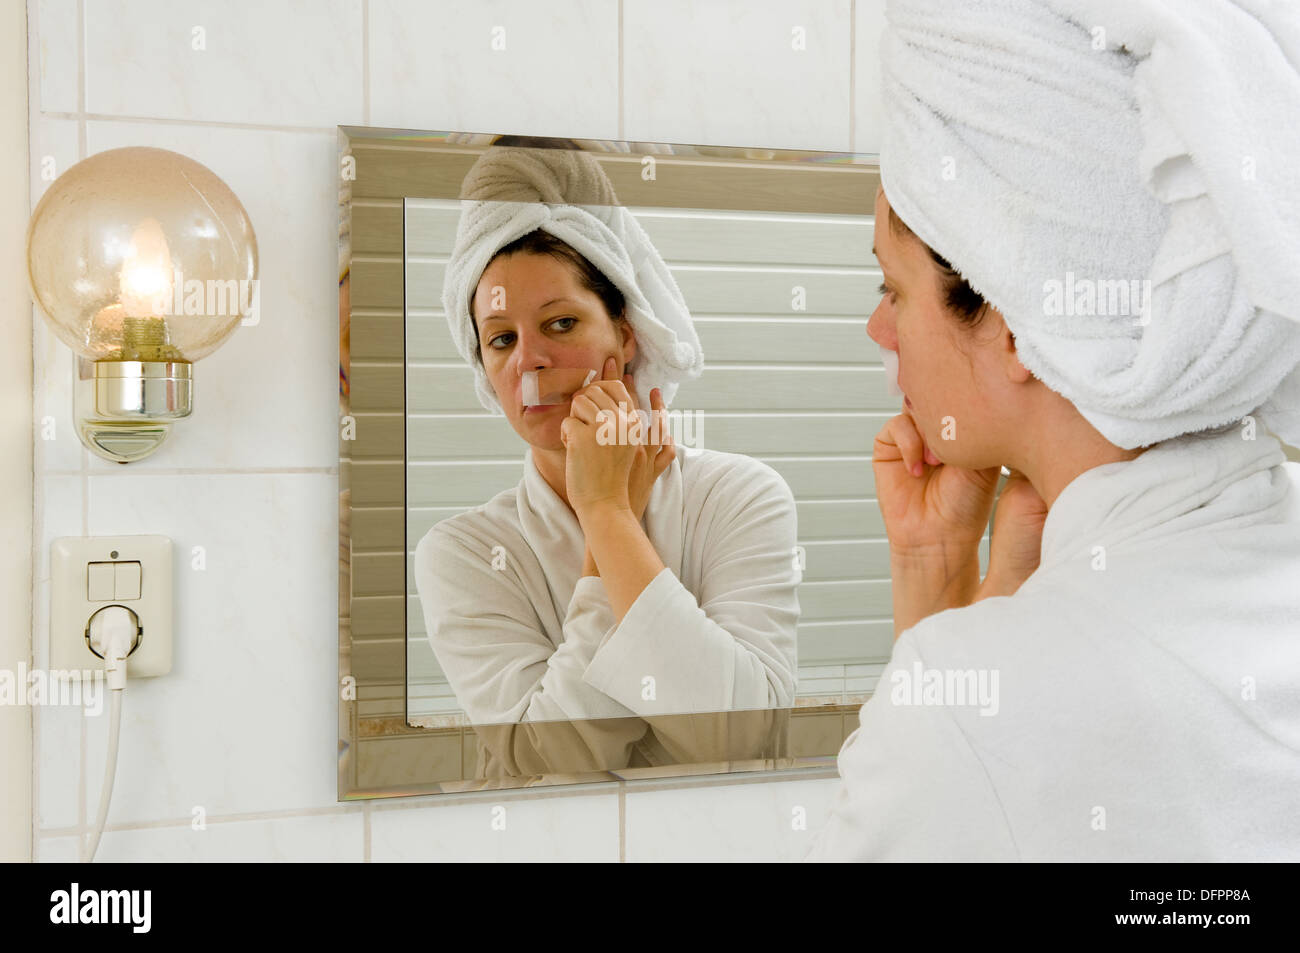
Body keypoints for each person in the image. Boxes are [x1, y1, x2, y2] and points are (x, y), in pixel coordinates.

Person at [808, 0, 1300, 860]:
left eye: (893, 289)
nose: (879, 332)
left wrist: (940, 597)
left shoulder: (971, 711)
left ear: (1012, 320)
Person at [413, 146, 800, 779]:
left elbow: (740, 738)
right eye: (502, 338)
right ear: (484, 369)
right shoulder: (463, 552)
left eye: (560, 323)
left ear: (626, 333)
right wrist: (607, 517)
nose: (529, 361)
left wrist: (607, 514)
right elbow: (552, 765)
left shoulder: (738, 496)